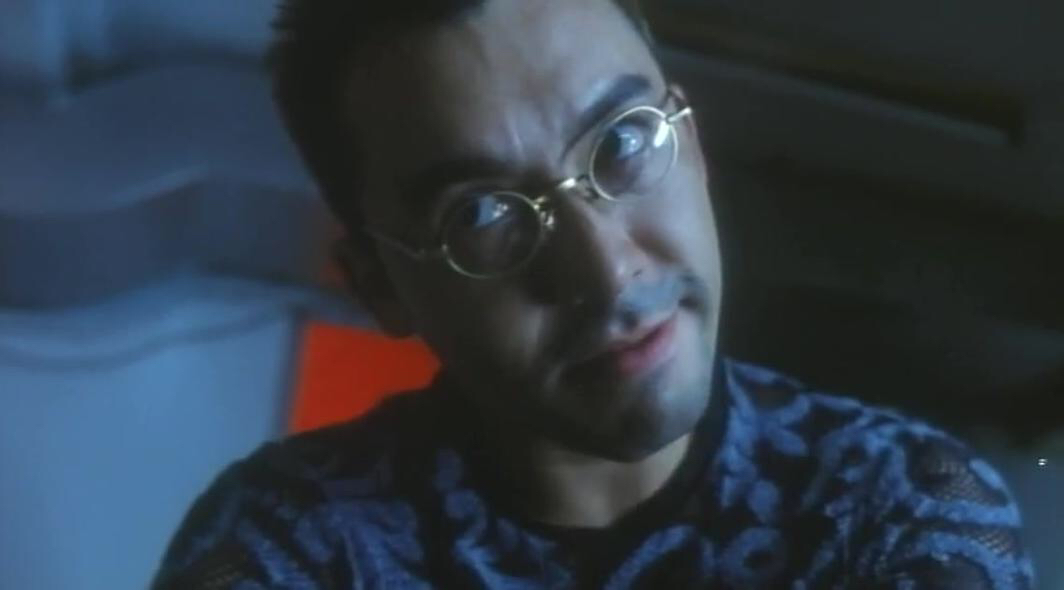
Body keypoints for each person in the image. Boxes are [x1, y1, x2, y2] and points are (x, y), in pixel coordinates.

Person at [152, 0, 1035, 587]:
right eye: (484, 216)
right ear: (383, 285)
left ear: (692, 149)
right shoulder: (288, 546)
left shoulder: (900, 503)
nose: (608, 273)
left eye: (623, 145)